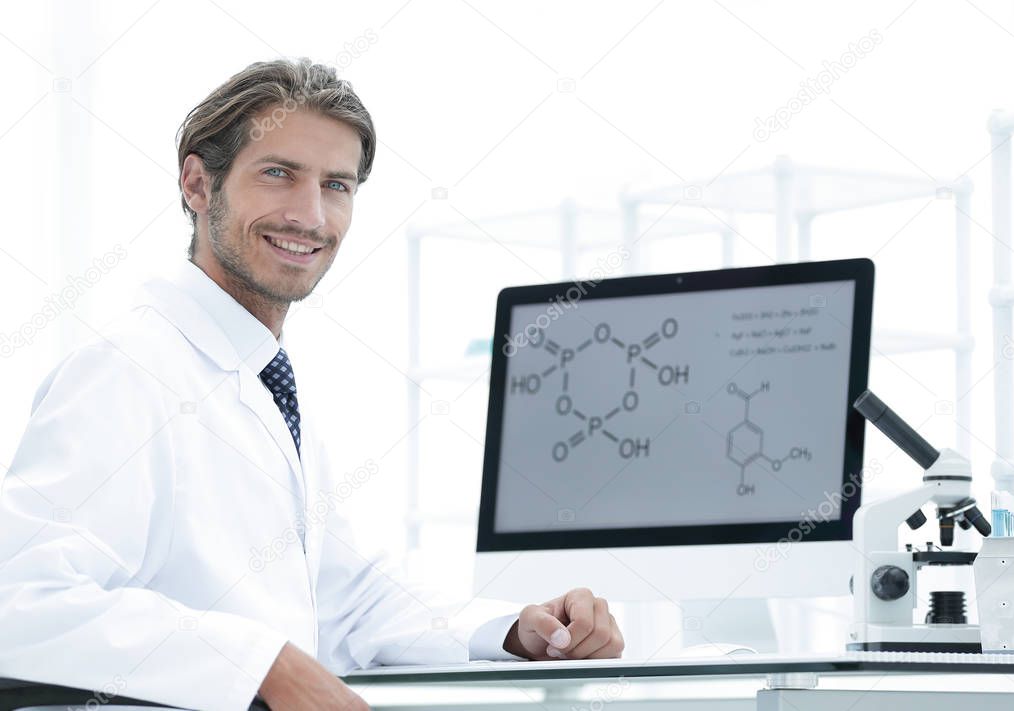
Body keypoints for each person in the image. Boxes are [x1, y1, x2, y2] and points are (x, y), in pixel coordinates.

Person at [0, 57, 623, 711]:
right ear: (197, 183)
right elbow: (19, 597)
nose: (311, 215)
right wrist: (258, 664)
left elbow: (344, 598)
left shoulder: (267, 380)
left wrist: (517, 629)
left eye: (337, 185)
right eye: (279, 174)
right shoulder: (126, 371)